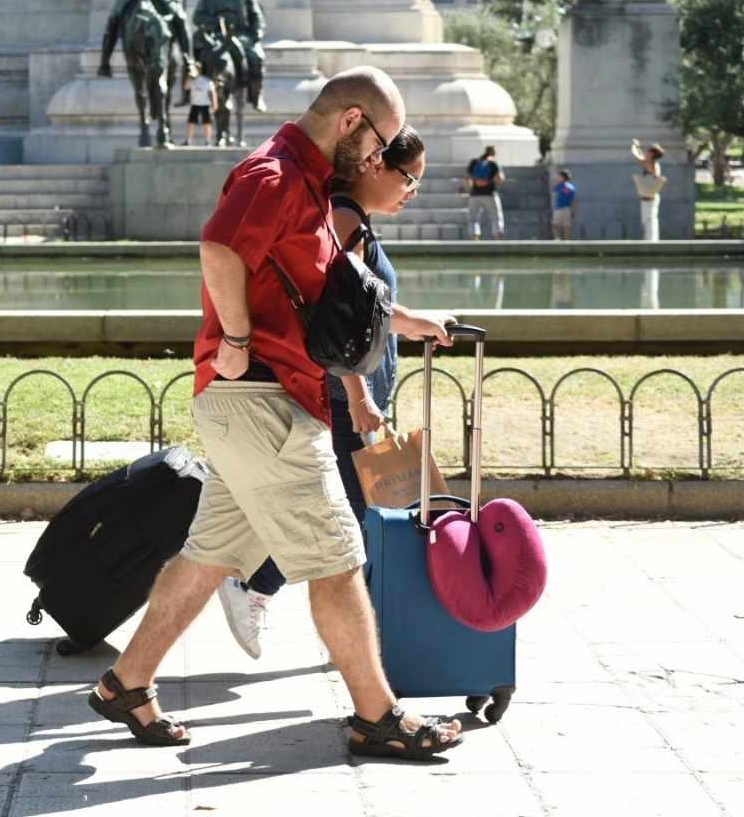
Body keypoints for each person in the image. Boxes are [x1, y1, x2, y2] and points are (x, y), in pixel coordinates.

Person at [87, 66, 463, 762]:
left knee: (210, 556)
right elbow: (219, 248)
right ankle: (376, 716)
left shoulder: (309, 184)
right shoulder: (277, 175)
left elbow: (321, 295)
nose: (380, 161)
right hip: (262, 400)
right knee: (339, 558)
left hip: (262, 402)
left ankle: (125, 684)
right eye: (380, 145)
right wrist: (231, 340)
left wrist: (403, 321)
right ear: (352, 121)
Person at [214, 126, 457, 660]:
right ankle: (261, 588)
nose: (412, 192)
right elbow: (338, 313)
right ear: (376, 167)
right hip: (346, 392)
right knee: (350, 510)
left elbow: (368, 308)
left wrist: (414, 322)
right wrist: (360, 396)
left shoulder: (353, 219)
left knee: (350, 508)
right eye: (410, 178)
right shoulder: (344, 219)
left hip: (357, 392)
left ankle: (343, 623)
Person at [463, 145, 505, 241]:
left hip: (475, 194)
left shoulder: (475, 162)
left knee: (473, 219)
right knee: (496, 218)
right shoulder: (493, 163)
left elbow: (467, 178)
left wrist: (471, 189)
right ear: (493, 153)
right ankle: (498, 241)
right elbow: (500, 179)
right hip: (490, 194)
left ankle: (474, 240)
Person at [631, 139, 666, 240]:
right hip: (650, 197)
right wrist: (637, 147)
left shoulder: (650, 164)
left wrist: (634, 145)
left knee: (649, 220)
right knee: (649, 220)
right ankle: (650, 240)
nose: (646, 153)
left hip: (649, 198)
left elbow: (637, 157)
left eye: (648, 151)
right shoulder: (652, 163)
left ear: (651, 154)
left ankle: (651, 241)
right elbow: (640, 156)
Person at [185, 70, 217, 146]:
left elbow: (212, 92)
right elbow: (186, 87)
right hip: (195, 104)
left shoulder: (207, 80)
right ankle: (188, 140)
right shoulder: (192, 79)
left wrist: (215, 103)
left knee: (207, 123)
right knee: (191, 122)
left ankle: (207, 141)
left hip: (205, 104)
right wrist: (189, 77)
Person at [551, 169, 578, 240]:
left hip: (559, 209)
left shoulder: (559, 186)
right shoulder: (571, 187)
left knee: (555, 225)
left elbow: (553, 189)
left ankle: (557, 240)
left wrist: (554, 180)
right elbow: (573, 200)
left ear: (562, 177)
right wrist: (573, 211)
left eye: (559, 176)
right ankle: (568, 242)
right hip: (567, 209)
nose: (558, 177)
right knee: (567, 227)